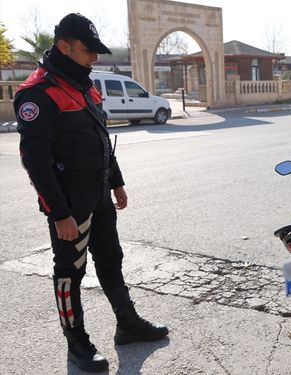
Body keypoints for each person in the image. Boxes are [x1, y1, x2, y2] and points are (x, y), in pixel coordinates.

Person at [14, 13, 168, 372]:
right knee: (70, 272)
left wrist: (116, 181)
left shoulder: (86, 85)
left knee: (111, 259)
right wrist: (59, 214)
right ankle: (76, 342)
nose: (95, 57)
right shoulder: (38, 92)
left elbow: (101, 138)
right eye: (88, 50)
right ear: (64, 47)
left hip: (99, 195)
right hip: (69, 205)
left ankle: (127, 324)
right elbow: (35, 161)